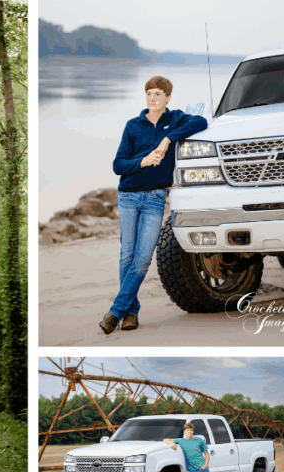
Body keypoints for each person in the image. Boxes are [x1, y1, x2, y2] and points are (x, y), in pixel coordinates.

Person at [100, 76, 208, 334]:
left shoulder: (176, 119)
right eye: (149, 93)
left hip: (155, 199)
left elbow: (201, 122)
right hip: (128, 196)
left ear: (168, 97)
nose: (153, 98)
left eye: (158, 94)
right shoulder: (133, 125)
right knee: (127, 255)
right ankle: (130, 313)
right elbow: (118, 165)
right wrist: (143, 161)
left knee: (143, 258)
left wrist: (167, 139)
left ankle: (115, 311)